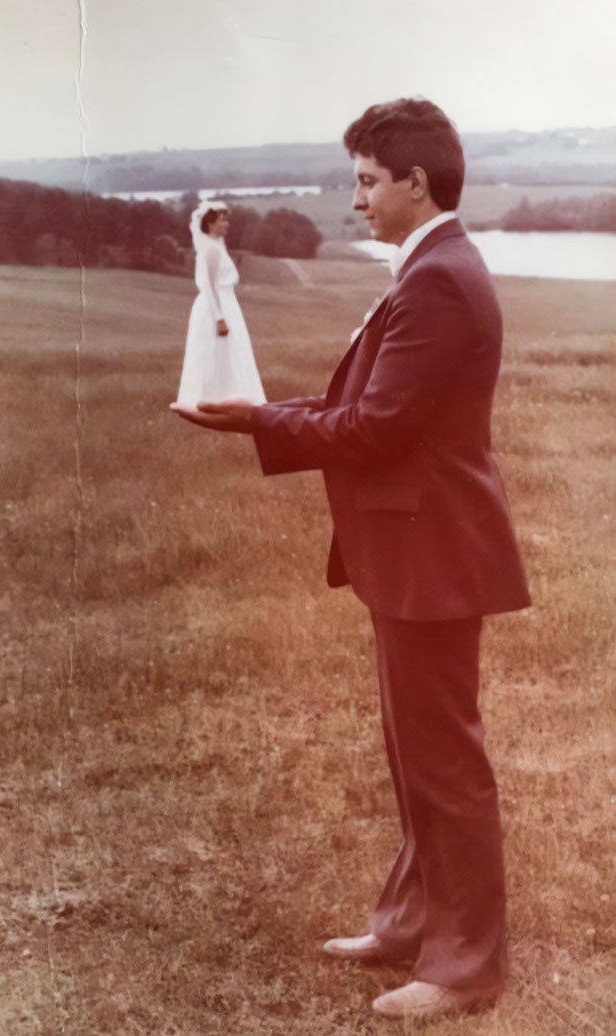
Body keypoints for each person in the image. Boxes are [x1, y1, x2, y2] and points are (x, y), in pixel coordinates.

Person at [170, 97, 530, 1021]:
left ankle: (467, 967)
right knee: (417, 755)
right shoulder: (433, 267)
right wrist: (266, 414)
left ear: (418, 182)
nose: (357, 198)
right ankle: (413, 925)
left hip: (433, 553)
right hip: (416, 550)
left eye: (368, 181)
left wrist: (257, 419)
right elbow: (373, 412)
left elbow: (376, 427)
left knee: (444, 763)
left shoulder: (439, 279)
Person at [175, 199, 266, 407]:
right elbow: (210, 286)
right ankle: (210, 400)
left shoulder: (216, 246)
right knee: (213, 352)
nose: (227, 224)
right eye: (222, 221)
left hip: (226, 302)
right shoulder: (211, 249)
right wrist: (219, 318)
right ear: (210, 224)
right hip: (216, 306)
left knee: (228, 353)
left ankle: (228, 398)